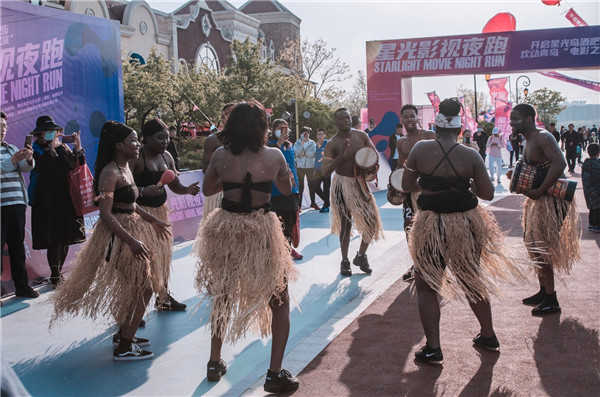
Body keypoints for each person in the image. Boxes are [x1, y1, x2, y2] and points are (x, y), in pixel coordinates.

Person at [402, 98, 527, 365]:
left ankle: (433, 347)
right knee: (471, 280)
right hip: (465, 224)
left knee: (426, 285)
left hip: (432, 224)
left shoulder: (420, 149)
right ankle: (489, 335)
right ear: (460, 130)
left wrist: (431, 180)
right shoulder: (470, 154)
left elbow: (406, 184)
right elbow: (487, 193)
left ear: (436, 127)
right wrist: (465, 183)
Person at [194, 101, 299, 393]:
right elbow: (287, 189)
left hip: (228, 227)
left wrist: (231, 181)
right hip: (261, 230)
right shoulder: (274, 155)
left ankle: (214, 362)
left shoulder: (220, 155)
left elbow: (208, 190)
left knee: (223, 294)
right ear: (261, 128)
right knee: (280, 299)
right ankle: (275, 374)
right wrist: (280, 173)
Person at [50, 121, 171, 361]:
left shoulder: (125, 168)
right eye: (132, 141)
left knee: (138, 286)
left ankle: (125, 334)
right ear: (118, 145)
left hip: (131, 231)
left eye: (137, 140)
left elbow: (131, 204)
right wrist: (132, 242)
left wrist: (152, 221)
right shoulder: (110, 172)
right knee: (146, 287)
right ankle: (125, 346)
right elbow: (106, 214)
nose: (137, 145)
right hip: (117, 238)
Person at [509, 103, 580, 316]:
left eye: (515, 119)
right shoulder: (527, 139)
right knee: (532, 243)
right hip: (541, 199)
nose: (511, 122)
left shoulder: (543, 137)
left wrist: (540, 189)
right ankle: (543, 291)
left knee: (542, 246)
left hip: (553, 200)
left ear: (529, 118)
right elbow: (537, 167)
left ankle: (551, 299)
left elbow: (559, 165)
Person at [130, 118, 200, 312]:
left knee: (162, 256)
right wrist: (142, 190)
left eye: (166, 137)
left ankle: (163, 298)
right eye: (160, 138)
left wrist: (187, 190)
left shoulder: (167, 157)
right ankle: (133, 308)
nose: (165, 141)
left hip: (160, 213)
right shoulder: (136, 157)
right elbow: (125, 188)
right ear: (147, 138)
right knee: (144, 261)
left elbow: (174, 184)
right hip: (140, 216)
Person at [322, 108, 383, 277]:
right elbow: (325, 172)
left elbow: (373, 155)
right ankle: (344, 261)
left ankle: (361, 255)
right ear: (336, 122)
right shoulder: (332, 143)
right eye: (342, 119)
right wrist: (340, 155)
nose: (346, 121)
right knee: (346, 224)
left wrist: (371, 166)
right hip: (342, 184)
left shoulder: (361, 135)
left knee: (371, 220)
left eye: (348, 118)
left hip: (359, 183)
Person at [28, 115, 86, 288]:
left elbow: (77, 164)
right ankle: (55, 275)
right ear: (40, 133)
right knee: (53, 238)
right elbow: (40, 166)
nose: (52, 134)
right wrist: (52, 148)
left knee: (65, 236)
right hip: (45, 199)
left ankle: (58, 272)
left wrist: (77, 147)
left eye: (54, 131)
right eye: (48, 131)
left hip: (65, 197)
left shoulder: (62, 148)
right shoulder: (34, 149)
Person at [394, 105, 435, 282]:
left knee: (430, 227)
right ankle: (416, 262)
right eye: (406, 117)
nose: (409, 119)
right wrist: (394, 183)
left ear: (417, 118)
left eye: (412, 116)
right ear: (401, 119)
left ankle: (434, 265)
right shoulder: (401, 141)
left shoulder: (429, 136)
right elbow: (400, 165)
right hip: (410, 192)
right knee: (408, 226)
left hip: (428, 190)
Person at [0, 112, 38, 298]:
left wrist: (28, 158)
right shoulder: (10, 154)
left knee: (17, 248)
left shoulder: (10, 148)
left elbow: (25, 167)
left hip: (17, 205)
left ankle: (22, 287)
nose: (2, 130)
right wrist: (13, 160)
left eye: (4, 126)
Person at [268, 119, 303, 260]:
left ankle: (288, 248)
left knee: (291, 221)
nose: (284, 131)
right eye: (280, 128)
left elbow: (293, 167)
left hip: (292, 189)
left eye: (286, 128)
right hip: (276, 191)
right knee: (279, 222)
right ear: (273, 130)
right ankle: (281, 250)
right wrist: (278, 144)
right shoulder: (269, 146)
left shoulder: (290, 146)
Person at [201, 103, 236, 221]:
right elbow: (205, 167)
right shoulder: (212, 140)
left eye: (231, 114)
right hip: (218, 191)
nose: (227, 117)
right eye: (225, 114)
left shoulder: (249, 140)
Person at [294, 126, 319, 210]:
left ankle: (313, 203)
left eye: (307, 133)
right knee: (300, 186)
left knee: (312, 185)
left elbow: (313, 154)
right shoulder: (297, 143)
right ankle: (299, 205)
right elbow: (297, 152)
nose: (305, 135)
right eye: (304, 133)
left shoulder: (312, 143)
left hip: (310, 166)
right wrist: (302, 144)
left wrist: (304, 153)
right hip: (300, 167)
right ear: (301, 134)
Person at [309, 128, 331, 213]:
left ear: (325, 135)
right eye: (318, 134)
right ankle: (327, 201)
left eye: (321, 134)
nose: (320, 136)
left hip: (326, 169)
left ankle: (326, 206)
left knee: (326, 188)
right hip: (317, 170)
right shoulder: (315, 145)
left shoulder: (328, 144)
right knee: (314, 186)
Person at [582, 143, 600, 232]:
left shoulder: (586, 163)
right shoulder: (597, 164)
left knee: (592, 207)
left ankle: (592, 224)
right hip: (597, 190)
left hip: (588, 189)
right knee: (597, 207)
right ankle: (596, 225)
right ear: (598, 153)